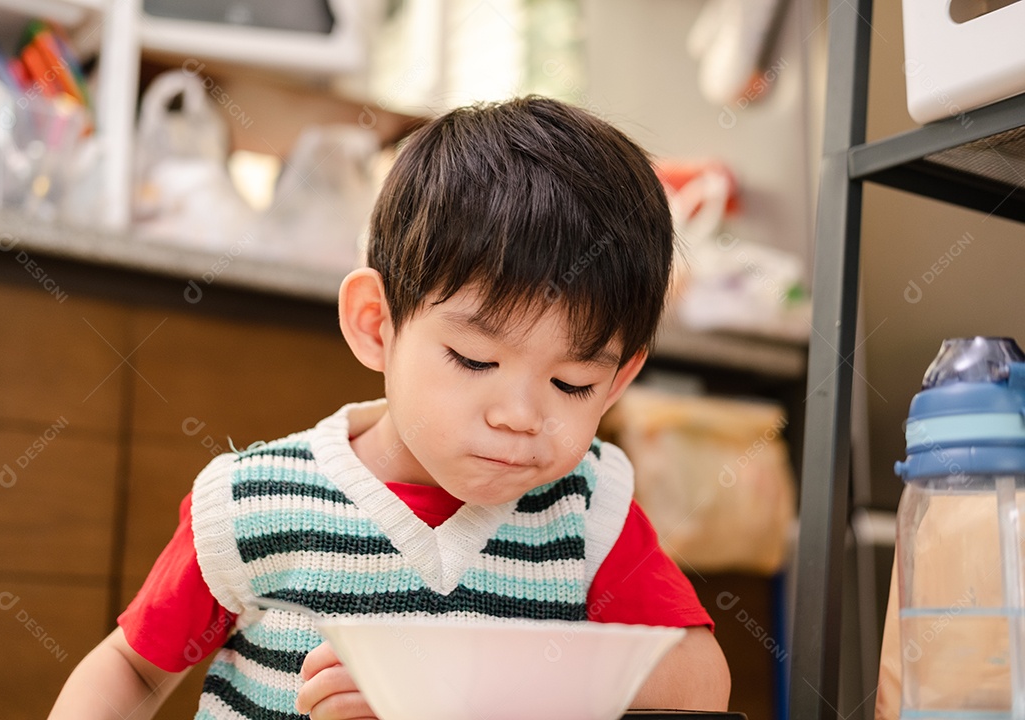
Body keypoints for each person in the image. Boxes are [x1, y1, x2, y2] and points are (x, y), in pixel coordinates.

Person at [47, 96, 731, 720]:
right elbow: (132, 671)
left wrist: (467, 688)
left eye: (572, 384)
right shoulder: (256, 505)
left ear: (617, 382)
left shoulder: (587, 515)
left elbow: (700, 689)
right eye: (474, 362)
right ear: (377, 325)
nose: (520, 416)